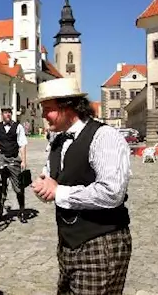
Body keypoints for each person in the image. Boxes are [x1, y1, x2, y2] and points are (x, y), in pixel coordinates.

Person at [31, 78, 132, 295]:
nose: (42, 115)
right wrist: (44, 187)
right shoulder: (56, 141)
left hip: (100, 242)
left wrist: (59, 191)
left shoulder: (104, 137)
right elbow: (53, 182)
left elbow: (112, 192)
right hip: (68, 244)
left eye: (48, 109)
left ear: (68, 107)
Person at [0, 106, 28, 223]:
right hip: (1, 156)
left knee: (19, 188)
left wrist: (24, 160)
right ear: (2, 114)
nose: (8, 115)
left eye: (9, 113)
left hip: (13, 158)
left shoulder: (18, 127)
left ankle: (21, 211)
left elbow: (23, 144)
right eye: (5, 113)